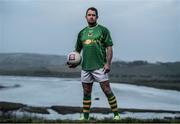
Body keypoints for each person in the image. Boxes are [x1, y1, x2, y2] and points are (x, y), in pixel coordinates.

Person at [68, 7, 120, 121]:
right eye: (89, 15)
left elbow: (109, 48)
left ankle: (116, 115)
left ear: (97, 17)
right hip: (85, 68)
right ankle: (85, 117)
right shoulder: (82, 33)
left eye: (93, 15)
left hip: (100, 67)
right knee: (86, 92)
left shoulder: (103, 30)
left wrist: (108, 63)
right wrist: (74, 63)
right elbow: (77, 51)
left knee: (107, 90)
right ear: (86, 17)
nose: (91, 16)